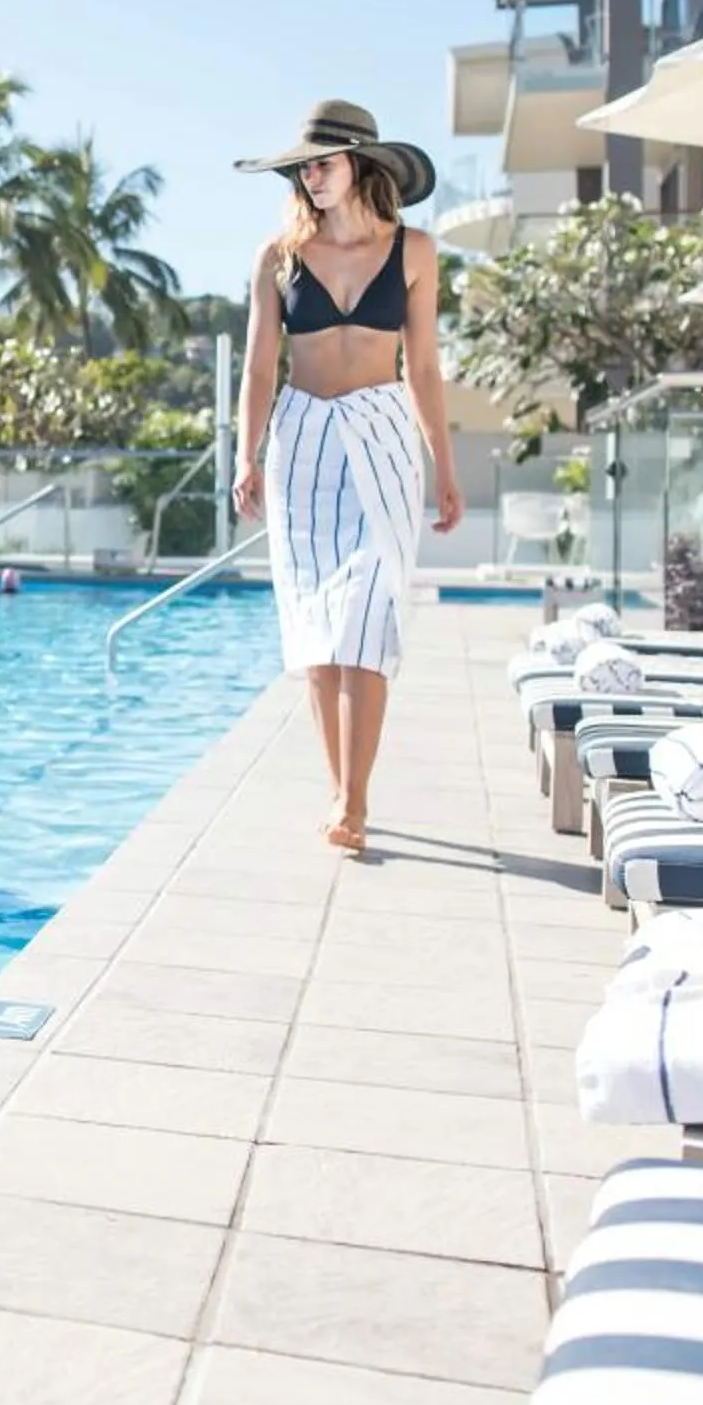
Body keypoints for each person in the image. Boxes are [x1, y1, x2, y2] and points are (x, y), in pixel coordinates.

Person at [229, 101, 462, 858]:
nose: (311, 177)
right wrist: (246, 455)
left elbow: (423, 368)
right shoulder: (279, 257)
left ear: (360, 163)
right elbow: (259, 368)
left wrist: (445, 466)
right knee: (317, 628)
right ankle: (340, 791)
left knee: (368, 613)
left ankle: (355, 800)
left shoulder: (415, 251)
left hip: (383, 437)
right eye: (303, 168)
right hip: (301, 440)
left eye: (323, 163)